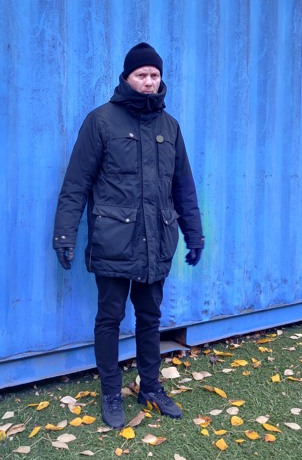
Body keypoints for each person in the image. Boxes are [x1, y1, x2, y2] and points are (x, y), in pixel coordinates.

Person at [53, 42, 204, 429]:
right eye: (142, 75)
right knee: (110, 317)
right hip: (114, 242)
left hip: (157, 241)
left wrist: (194, 234)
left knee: (150, 317)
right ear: (126, 77)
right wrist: (64, 235)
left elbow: (183, 187)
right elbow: (76, 183)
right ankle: (110, 392)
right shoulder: (101, 121)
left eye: (155, 75)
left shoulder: (170, 127)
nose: (149, 81)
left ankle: (150, 387)